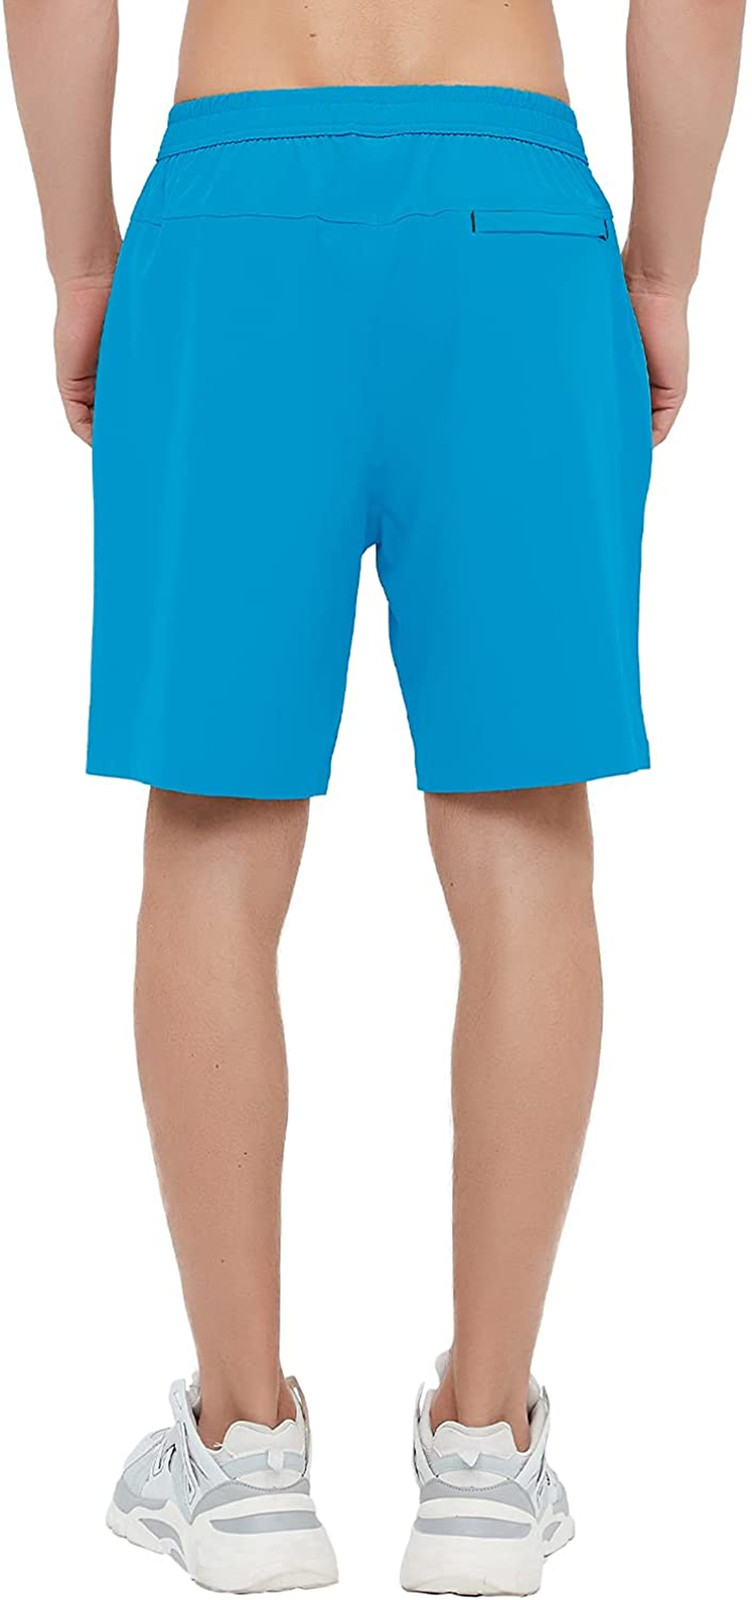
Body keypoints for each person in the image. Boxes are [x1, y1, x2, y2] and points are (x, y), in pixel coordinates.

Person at [5, 1, 745, 1594]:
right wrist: (663, 274)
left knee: (214, 830)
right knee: (524, 835)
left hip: (235, 216)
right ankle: (484, 1458)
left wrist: (79, 261)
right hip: (514, 222)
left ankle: (241, 1457)